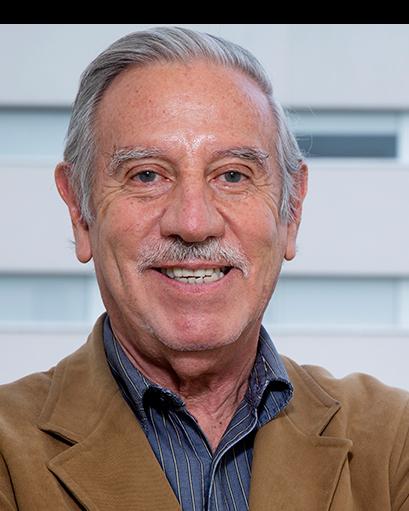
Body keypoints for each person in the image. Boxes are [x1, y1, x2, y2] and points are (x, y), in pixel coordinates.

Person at [0, 26, 408, 511]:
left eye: (233, 175)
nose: (194, 223)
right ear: (79, 210)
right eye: (146, 175)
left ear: (291, 209)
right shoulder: (8, 453)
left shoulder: (393, 442)